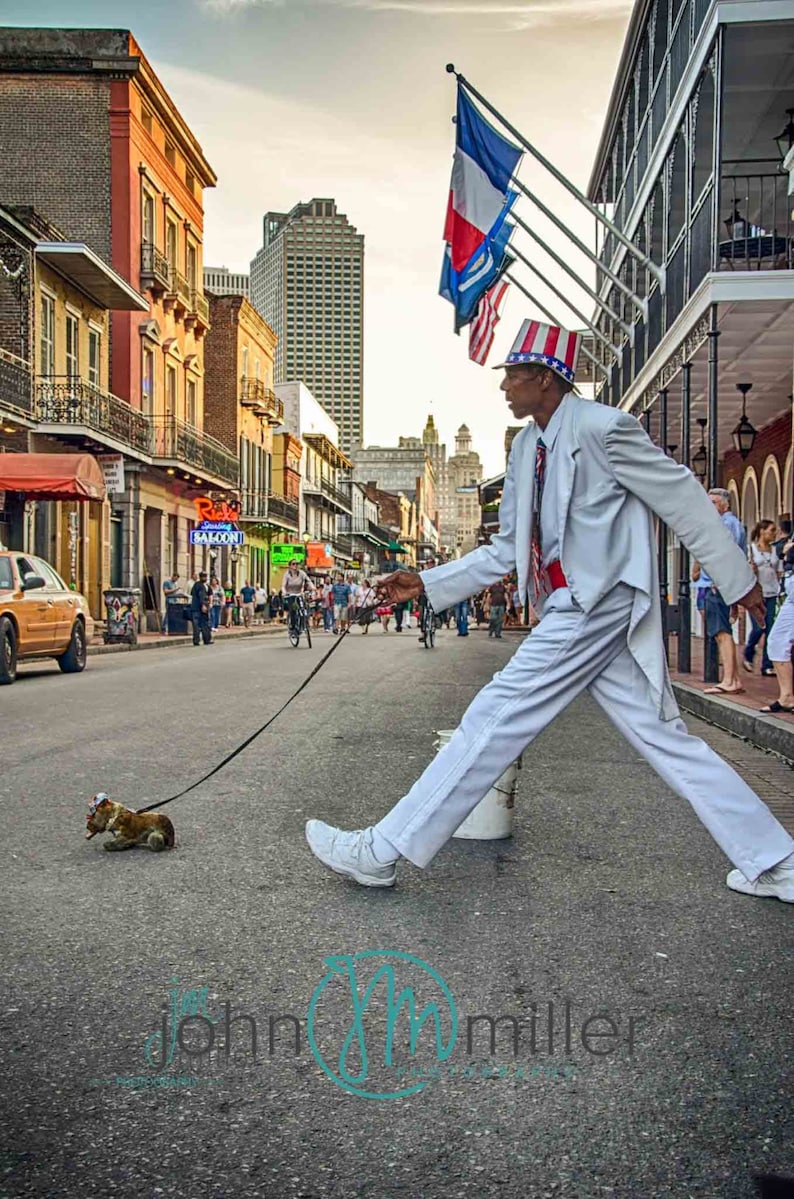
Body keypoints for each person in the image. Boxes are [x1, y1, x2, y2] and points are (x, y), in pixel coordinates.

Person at [305, 318, 794, 903]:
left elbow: (683, 498)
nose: (503, 386)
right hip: (570, 605)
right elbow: (507, 548)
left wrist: (739, 582)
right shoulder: (524, 448)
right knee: (666, 738)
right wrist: (425, 582)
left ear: (545, 377)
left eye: (512, 374)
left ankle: (381, 850)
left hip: (593, 602)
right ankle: (777, 861)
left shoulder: (606, 428)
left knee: (495, 716)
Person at [694, 489, 747, 696]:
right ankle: (734, 679)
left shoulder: (726, 524)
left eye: (714, 502)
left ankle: (729, 680)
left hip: (716, 584)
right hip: (719, 583)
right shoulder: (729, 523)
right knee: (721, 632)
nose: (710, 506)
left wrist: (719, 579)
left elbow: (726, 553)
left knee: (722, 632)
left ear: (725, 505)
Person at [743, 520, 781, 677]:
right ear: (762, 531)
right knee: (759, 627)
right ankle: (748, 653)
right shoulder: (751, 549)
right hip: (756, 595)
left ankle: (767, 665)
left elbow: (778, 570)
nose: (774, 533)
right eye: (771, 530)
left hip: (772, 593)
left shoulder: (774, 550)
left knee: (771, 630)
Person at [761, 535, 794, 714]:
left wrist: (788, 550)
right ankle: (787, 696)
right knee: (777, 642)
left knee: (778, 640)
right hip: (790, 587)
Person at [281, 559, 313, 629]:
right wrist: (284, 592)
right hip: (290, 594)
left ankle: (304, 623)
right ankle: (292, 626)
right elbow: (283, 585)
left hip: (299, 593)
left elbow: (308, 581)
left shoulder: (302, 573)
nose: (295, 565)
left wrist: (313, 588)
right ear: (290, 566)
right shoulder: (287, 574)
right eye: (293, 564)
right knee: (293, 610)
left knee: (303, 607)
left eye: (297, 564)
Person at [190, 570, 212, 647]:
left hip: (195, 607)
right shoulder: (201, 586)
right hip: (199, 608)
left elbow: (192, 593)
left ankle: (198, 640)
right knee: (202, 624)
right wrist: (203, 605)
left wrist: (210, 603)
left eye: (205, 576)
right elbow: (201, 596)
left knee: (198, 624)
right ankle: (205, 639)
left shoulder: (199, 585)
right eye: (203, 576)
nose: (205, 578)